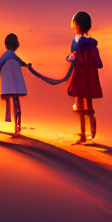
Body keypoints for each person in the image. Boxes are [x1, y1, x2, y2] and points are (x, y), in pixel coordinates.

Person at [32, 11, 104, 144]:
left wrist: (70, 58)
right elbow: (93, 61)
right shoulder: (90, 42)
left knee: (81, 104)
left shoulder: (78, 40)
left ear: (78, 24)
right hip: (88, 75)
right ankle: (90, 123)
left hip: (80, 74)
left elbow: (73, 55)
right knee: (87, 102)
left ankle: (83, 133)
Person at [0, 33, 29, 134]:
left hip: (11, 85)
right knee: (16, 104)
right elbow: (19, 62)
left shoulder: (8, 55)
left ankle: (17, 126)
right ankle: (18, 126)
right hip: (13, 85)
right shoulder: (10, 55)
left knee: (16, 104)